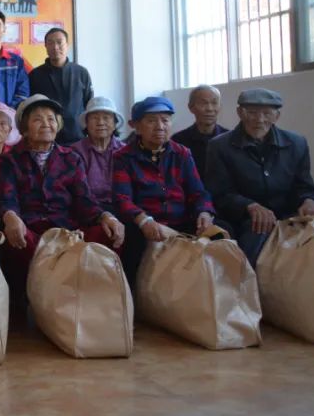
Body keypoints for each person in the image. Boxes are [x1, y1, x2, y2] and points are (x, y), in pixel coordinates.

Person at [0, 95, 125, 311]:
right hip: (30, 227)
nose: (46, 124)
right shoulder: (11, 160)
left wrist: (106, 216)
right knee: (15, 239)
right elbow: (6, 198)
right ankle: (29, 306)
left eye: (51, 119)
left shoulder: (71, 158)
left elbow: (84, 200)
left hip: (67, 230)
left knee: (109, 232)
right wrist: (11, 217)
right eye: (38, 119)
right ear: (25, 128)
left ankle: (98, 305)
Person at [206, 89, 314, 265]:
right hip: (247, 220)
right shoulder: (219, 146)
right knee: (254, 253)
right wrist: (249, 205)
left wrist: (309, 200)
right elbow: (219, 193)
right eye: (252, 112)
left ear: (277, 116)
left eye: (267, 113)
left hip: (289, 216)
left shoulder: (297, 143)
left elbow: (304, 186)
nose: (259, 120)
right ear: (240, 113)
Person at [112, 96, 215, 285]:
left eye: (165, 120)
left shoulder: (182, 153)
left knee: (218, 235)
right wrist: (144, 220)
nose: (160, 126)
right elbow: (122, 198)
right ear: (137, 127)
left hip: (181, 221)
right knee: (133, 245)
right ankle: (135, 297)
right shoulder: (123, 157)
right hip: (144, 224)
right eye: (151, 121)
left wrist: (204, 212)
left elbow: (198, 192)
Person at [27, 28, 92, 144]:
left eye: (59, 42)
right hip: (47, 139)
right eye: (50, 43)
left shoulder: (81, 73)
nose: (55, 47)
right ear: (45, 46)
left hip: (77, 139)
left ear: (67, 45)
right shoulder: (35, 75)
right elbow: (31, 108)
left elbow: (89, 105)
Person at [71, 97, 126, 208]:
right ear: (86, 123)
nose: (100, 123)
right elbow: (79, 192)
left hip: (122, 207)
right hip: (88, 209)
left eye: (106, 118)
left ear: (115, 123)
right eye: (94, 118)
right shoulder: (75, 152)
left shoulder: (125, 151)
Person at [171, 84, 228, 184]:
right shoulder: (178, 141)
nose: (209, 108)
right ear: (191, 107)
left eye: (214, 103)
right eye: (203, 103)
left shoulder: (230, 139)